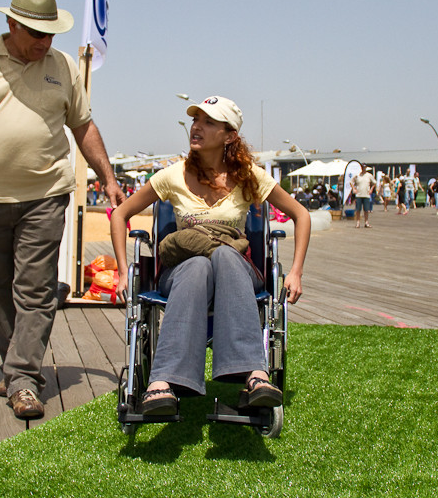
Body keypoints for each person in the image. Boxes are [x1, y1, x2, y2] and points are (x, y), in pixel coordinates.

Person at [0, 0, 123, 421]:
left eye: (51, 34)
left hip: (46, 195)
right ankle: (14, 364)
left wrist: (108, 177)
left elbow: (83, 127)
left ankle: (22, 379)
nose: (46, 42)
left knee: (36, 290)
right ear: (11, 24)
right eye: (37, 33)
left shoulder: (63, 67)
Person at [109, 96, 311, 416]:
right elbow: (120, 215)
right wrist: (123, 272)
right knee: (198, 264)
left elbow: (301, 214)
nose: (196, 127)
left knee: (226, 257)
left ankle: (255, 375)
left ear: (229, 135)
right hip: (183, 274)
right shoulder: (172, 175)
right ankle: (162, 382)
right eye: (195, 120)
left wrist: (296, 271)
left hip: (236, 271)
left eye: (208, 122)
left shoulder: (249, 176)